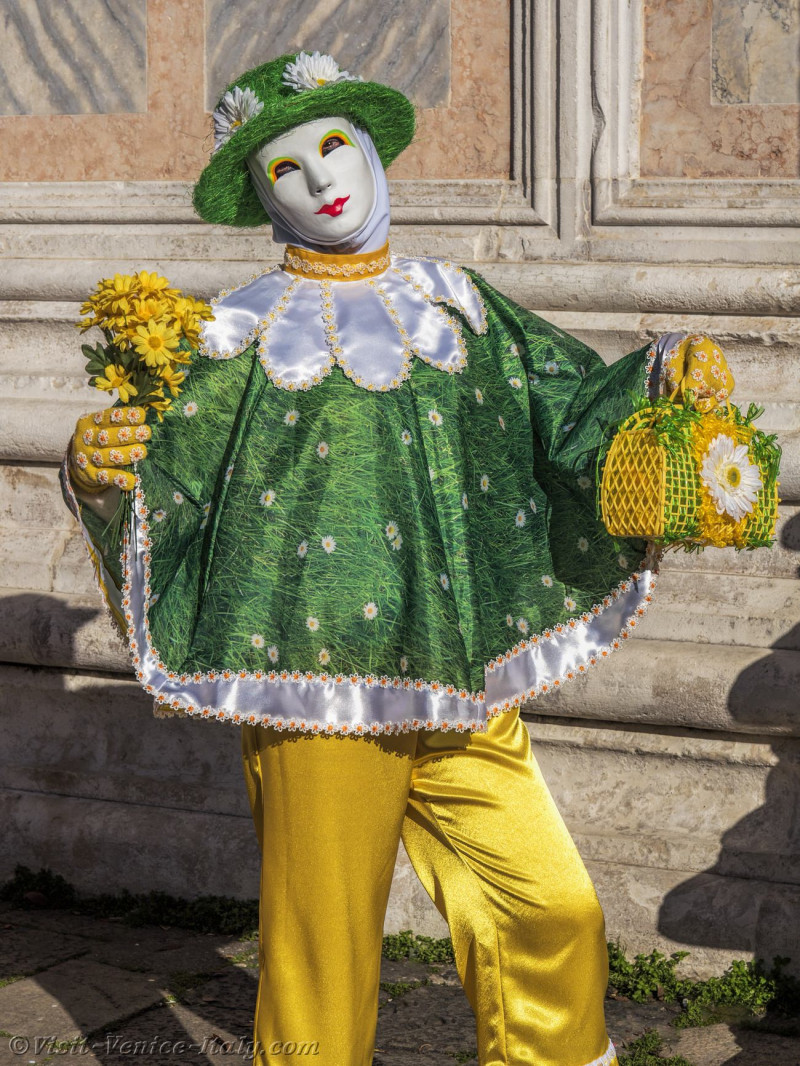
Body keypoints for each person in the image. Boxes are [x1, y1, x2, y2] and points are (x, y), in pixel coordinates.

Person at [62, 51, 734, 1066]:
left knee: (549, 910)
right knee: (320, 966)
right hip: (314, 691)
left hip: (460, 679)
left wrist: (660, 375)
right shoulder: (233, 338)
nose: (321, 180)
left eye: (334, 147)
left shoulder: (459, 305)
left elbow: (568, 408)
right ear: (259, 196)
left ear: (371, 152)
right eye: (284, 168)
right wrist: (101, 473)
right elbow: (172, 492)